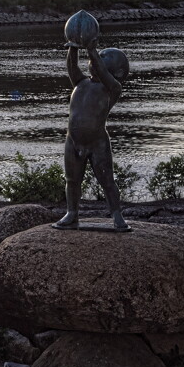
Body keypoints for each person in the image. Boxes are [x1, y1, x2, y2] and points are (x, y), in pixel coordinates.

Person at [53, 37, 130, 231]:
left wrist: (92, 50)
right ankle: (72, 213)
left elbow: (103, 73)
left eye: (101, 60)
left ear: (117, 72)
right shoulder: (81, 83)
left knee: (107, 182)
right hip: (73, 141)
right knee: (72, 180)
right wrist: (73, 48)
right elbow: (72, 67)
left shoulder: (111, 88)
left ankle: (117, 215)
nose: (94, 63)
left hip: (97, 143)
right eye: (95, 59)